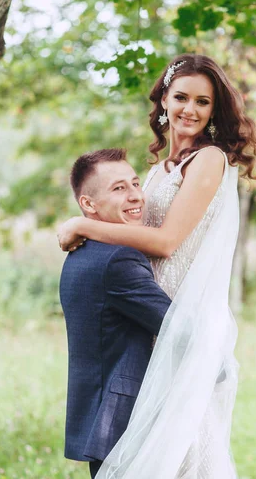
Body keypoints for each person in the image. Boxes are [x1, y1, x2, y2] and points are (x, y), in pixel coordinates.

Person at [58, 54, 256, 478]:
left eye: (203, 102)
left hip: (177, 317)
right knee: (151, 452)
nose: (190, 110)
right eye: (181, 97)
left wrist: (83, 225)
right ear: (165, 102)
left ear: (214, 110)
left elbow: (167, 242)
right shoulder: (156, 171)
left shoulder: (208, 160)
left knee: (186, 448)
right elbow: (129, 227)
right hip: (147, 320)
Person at [59, 148, 172, 479]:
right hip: (123, 420)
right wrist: (218, 367)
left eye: (135, 183)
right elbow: (176, 327)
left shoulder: (81, 254)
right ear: (89, 205)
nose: (135, 195)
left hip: (99, 419)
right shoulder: (118, 259)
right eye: (118, 188)